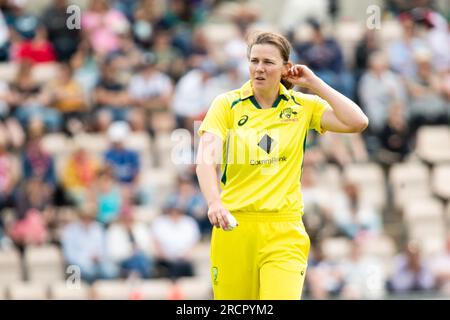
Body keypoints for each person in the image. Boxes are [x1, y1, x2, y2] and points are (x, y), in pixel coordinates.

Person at [195, 31, 368, 300]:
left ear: (286, 68)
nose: (259, 68)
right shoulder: (226, 104)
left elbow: (357, 122)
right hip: (234, 228)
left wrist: (314, 82)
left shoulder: (303, 106)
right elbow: (206, 160)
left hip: (284, 229)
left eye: (268, 62)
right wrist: (214, 202)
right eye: (254, 61)